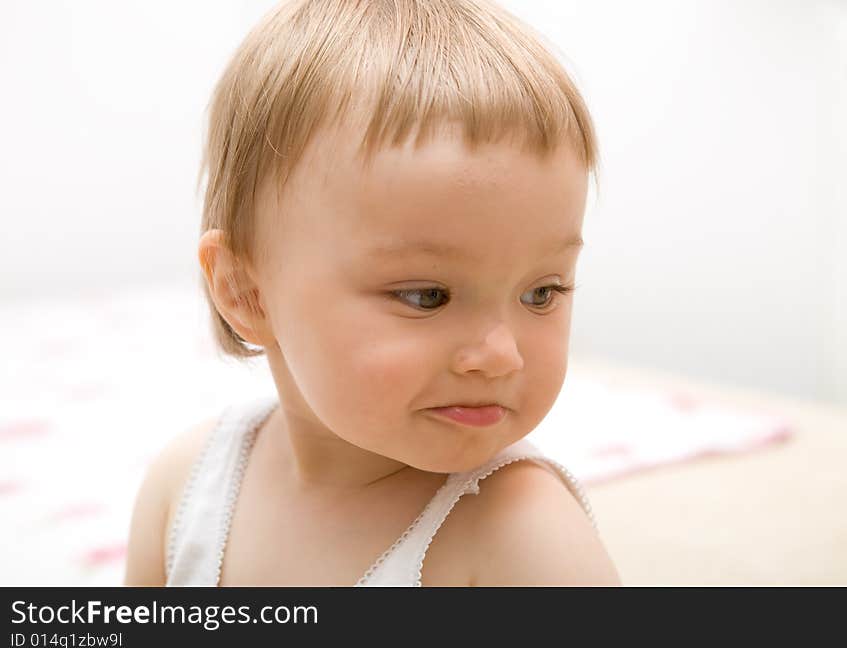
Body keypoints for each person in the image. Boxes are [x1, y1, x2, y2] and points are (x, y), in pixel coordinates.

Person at [124, 0, 621, 587]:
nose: (501, 355)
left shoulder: (523, 535)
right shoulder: (187, 489)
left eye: (542, 292)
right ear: (247, 293)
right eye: (427, 296)